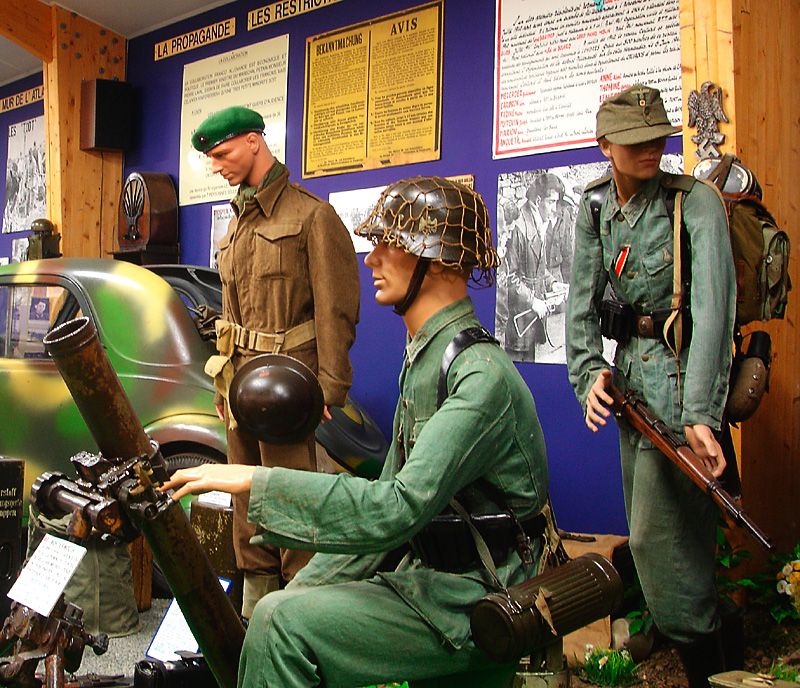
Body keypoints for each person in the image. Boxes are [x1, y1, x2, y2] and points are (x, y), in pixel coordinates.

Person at [163, 176, 555, 687]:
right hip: (438, 574)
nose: (372, 259)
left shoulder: (478, 377)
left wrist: (257, 483)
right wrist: (309, 582)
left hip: (482, 595)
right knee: (285, 604)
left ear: (434, 260)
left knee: (282, 624)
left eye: (390, 245)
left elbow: (396, 507)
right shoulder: (429, 359)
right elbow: (391, 500)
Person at [565, 84, 736, 687]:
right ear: (605, 145)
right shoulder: (593, 208)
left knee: (666, 538)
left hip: (681, 385)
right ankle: (680, 635)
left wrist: (701, 413)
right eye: (634, 141)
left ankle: (706, 661)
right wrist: (587, 373)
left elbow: (715, 313)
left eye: (657, 137)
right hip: (632, 386)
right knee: (650, 532)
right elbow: (580, 302)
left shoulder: (694, 204)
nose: (650, 149)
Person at [191, 106, 360, 617]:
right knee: (247, 505)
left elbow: (336, 309)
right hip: (241, 382)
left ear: (254, 142)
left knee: (291, 503)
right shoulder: (238, 224)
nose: (216, 165)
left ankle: (298, 617)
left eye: (222, 153)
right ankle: (254, 614)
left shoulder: (311, 215)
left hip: (289, 382)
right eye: (211, 158)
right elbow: (229, 315)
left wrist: (328, 389)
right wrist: (224, 389)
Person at [504, 176, 569, 361]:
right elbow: (508, 276)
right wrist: (533, 301)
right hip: (518, 322)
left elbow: (540, 269)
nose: (554, 209)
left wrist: (553, 284)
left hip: (530, 321)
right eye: (551, 202)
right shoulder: (519, 227)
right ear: (539, 200)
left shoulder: (538, 222)